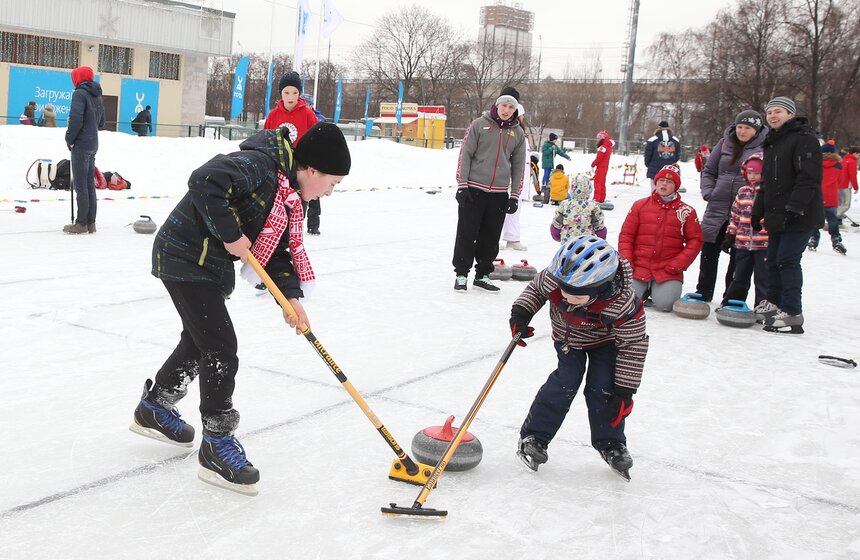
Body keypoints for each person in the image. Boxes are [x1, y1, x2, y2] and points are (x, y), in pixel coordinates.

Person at [131, 123, 351, 494]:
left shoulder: (286, 194)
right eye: (332, 183)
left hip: (205, 264)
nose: (330, 192)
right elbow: (205, 181)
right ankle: (217, 444)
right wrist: (232, 234)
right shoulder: (259, 165)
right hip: (183, 255)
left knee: (201, 340)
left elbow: (278, 251)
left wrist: (291, 299)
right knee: (219, 347)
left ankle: (156, 407)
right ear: (312, 169)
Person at [510, 235, 649, 479]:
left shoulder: (623, 301)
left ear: (600, 287)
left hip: (605, 343)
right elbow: (535, 289)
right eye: (564, 290)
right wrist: (520, 314)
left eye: (576, 295)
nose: (565, 297)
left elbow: (633, 343)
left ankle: (611, 444)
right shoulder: (557, 277)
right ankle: (534, 437)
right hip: (568, 339)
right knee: (564, 383)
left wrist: (625, 390)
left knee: (604, 388)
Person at [752, 96, 824, 334]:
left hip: (799, 214)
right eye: (770, 112)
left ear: (791, 115)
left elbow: (808, 178)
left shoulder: (804, 139)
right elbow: (767, 183)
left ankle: (792, 311)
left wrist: (795, 207)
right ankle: (774, 304)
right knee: (772, 260)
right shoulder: (772, 141)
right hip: (776, 214)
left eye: (779, 111)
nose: (773, 116)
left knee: (787, 260)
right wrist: (758, 209)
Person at [453, 86, 525, 292]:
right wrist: (462, 185)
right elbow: (465, 155)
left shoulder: (517, 133)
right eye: (504, 105)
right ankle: (461, 273)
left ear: (515, 110)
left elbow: (519, 166)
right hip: (474, 189)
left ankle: (483, 274)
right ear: (497, 105)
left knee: (491, 236)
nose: (507, 110)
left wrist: (514, 195)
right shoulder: (479, 125)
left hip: (499, 193)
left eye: (511, 107)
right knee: (467, 232)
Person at [695, 110, 768, 302]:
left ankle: (732, 297)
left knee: (738, 256)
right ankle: (703, 291)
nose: (742, 132)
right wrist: (709, 192)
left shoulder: (765, 147)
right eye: (740, 127)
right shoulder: (724, 143)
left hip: (746, 208)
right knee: (709, 251)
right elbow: (709, 170)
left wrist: (759, 198)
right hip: (718, 206)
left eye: (748, 128)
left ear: (757, 130)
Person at [618, 164, 703, 312]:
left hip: (667, 269)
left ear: (676, 186)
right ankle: (645, 290)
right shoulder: (639, 206)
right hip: (639, 266)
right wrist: (627, 262)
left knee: (665, 305)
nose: (664, 184)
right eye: (661, 180)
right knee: (627, 302)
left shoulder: (687, 211)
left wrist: (678, 264)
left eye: (669, 182)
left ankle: (656, 291)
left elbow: (695, 241)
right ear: (655, 182)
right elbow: (626, 236)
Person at [264, 72, 321, 235]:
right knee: (278, 199)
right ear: (281, 93)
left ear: (299, 94)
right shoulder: (274, 115)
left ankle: (303, 226)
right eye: (286, 92)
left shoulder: (308, 114)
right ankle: (277, 229)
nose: (290, 97)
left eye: (295, 93)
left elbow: (316, 139)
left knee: (302, 197)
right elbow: (265, 138)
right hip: (280, 164)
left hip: (301, 164)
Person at [720, 153, 768, 307]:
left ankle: (762, 307)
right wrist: (730, 235)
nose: (753, 176)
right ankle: (733, 303)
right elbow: (734, 216)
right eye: (750, 172)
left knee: (763, 278)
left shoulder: (770, 193)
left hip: (764, 244)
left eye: (757, 173)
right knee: (739, 276)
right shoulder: (743, 192)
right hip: (743, 243)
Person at [63, 66, 105, 234]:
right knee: (89, 184)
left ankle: (81, 223)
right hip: (93, 143)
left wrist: (69, 138)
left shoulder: (79, 94)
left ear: (78, 78)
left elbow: (76, 119)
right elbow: (101, 123)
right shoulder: (98, 95)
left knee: (81, 185)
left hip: (81, 143)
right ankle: (90, 223)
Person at [501, 103, 534, 251]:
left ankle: (512, 238)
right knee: (500, 210)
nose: (523, 118)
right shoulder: (510, 134)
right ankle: (493, 237)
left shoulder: (521, 135)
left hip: (521, 181)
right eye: (521, 115)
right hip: (509, 180)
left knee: (515, 210)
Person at [808, 142, 847, 254]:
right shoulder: (838, 165)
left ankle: (813, 239)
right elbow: (840, 181)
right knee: (832, 220)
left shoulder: (816, 164)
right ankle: (836, 239)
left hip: (817, 196)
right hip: (831, 197)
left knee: (815, 220)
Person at [550, 173, 606, 244]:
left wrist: (556, 234)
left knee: (568, 255)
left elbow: (557, 222)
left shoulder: (564, 204)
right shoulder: (593, 206)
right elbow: (598, 224)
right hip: (587, 243)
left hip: (568, 243)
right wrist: (602, 236)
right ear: (588, 189)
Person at [643, 120, 681, 187]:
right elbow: (677, 155)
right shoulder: (676, 140)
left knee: (654, 189)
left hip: (654, 169)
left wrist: (648, 165)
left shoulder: (652, 140)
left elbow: (647, 155)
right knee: (667, 189)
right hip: (669, 169)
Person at [540, 132, 570, 203]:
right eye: (555, 139)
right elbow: (545, 153)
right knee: (546, 174)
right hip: (546, 163)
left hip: (551, 164)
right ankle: (544, 186)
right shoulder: (546, 145)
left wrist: (567, 157)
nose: (556, 141)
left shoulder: (555, 146)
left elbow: (560, 152)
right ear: (552, 139)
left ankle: (549, 185)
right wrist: (551, 148)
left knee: (551, 175)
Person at [590, 130, 614, 203]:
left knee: (597, 183)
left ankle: (596, 199)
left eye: (599, 138)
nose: (598, 140)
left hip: (601, 167)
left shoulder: (603, 147)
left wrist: (593, 164)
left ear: (602, 138)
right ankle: (601, 198)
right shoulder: (608, 146)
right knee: (602, 183)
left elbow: (599, 158)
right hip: (605, 167)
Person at [837, 146, 858, 221]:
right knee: (846, 205)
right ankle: (833, 216)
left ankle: (838, 221)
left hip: (839, 184)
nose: (858, 157)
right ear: (855, 153)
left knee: (840, 203)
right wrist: (856, 187)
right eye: (859, 155)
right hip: (845, 185)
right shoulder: (852, 161)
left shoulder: (844, 160)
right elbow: (852, 175)